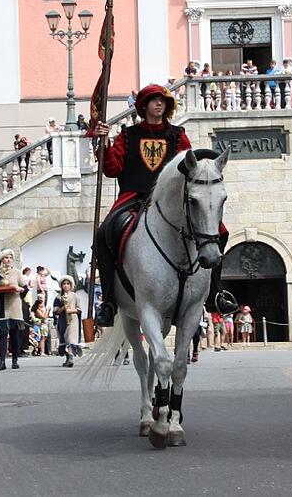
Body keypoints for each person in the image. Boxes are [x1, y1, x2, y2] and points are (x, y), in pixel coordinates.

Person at [91, 84, 238, 326]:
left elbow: (191, 166)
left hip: (169, 199)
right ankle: (108, 301)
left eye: (163, 101)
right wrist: (104, 145)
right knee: (104, 232)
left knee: (220, 230)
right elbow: (112, 169)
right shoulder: (128, 136)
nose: (159, 104)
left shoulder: (177, 135)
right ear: (144, 105)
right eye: (154, 100)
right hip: (134, 197)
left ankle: (215, 293)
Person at [0, 248, 27, 371]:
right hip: (1, 307)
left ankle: (15, 360)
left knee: (14, 335)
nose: (9, 260)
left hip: (14, 306)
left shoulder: (17, 273)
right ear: (2, 260)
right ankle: (2, 362)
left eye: (11, 258)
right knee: (2, 335)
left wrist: (19, 289)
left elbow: (25, 288)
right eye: (6, 258)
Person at [52, 275, 80, 367]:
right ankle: (67, 358)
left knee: (71, 338)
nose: (66, 285)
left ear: (71, 285)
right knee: (65, 338)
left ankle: (71, 358)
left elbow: (79, 309)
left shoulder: (75, 296)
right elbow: (55, 311)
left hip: (73, 319)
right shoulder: (58, 297)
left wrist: (71, 310)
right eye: (64, 284)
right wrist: (63, 308)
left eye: (68, 284)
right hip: (62, 320)